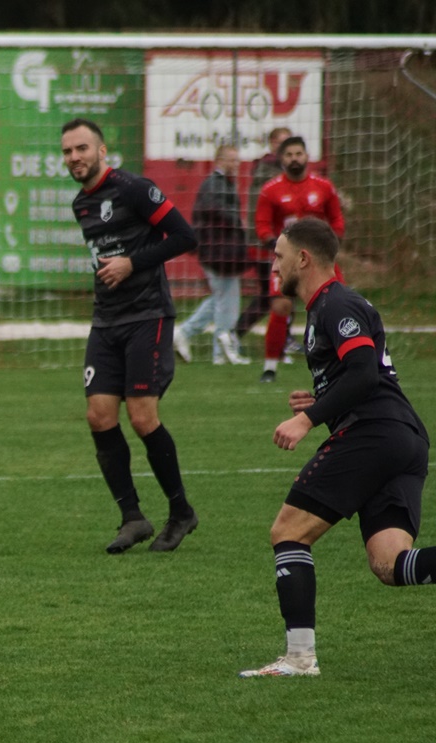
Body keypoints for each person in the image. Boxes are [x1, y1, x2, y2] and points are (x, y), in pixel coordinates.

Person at [240, 218, 433, 677]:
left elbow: (365, 372)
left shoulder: (335, 303)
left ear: (303, 259)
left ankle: (299, 658)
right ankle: (299, 658)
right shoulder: (325, 309)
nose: (274, 265)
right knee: (390, 565)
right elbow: (360, 375)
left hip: (375, 433)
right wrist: (322, 400)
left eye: (279, 256)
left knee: (288, 530)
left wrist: (308, 418)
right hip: (403, 437)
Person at [60, 118, 200, 554]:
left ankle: (181, 513)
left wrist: (132, 263)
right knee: (99, 416)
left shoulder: (134, 189)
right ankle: (133, 517)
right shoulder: (80, 205)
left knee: (142, 417)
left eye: (82, 148)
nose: (74, 158)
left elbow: (183, 236)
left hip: (147, 317)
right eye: (67, 152)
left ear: (102, 151)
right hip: (106, 322)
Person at [253, 135, 345, 382]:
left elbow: (337, 220)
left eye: (299, 154)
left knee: (336, 304)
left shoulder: (324, 187)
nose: (294, 158)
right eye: (289, 155)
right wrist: (277, 245)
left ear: (307, 156)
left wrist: (332, 242)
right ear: (281, 159)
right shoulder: (270, 190)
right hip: (287, 259)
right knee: (281, 306)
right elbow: (261, 225)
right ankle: (270, 367)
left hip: (320, 257)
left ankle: (343, 359)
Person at [173, 144, 251, 365]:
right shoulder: (213, 184)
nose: (235, 165)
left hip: (219, 253)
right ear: (219, 160)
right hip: (220, 254)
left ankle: (183, 334)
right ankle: (222, 351)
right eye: (231, 160)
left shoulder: (220, 183)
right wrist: (237, 221)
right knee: (228, 300)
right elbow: (212, 211)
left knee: (219, 299)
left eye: (237, 160)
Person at [234, 127, 292, 343]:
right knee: (271, 295)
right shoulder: (267, 170)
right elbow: (262, 209)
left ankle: (284, 337)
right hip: (264, 244)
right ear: (273, 145)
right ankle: (235, 333)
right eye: (281, 142)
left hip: (279, 242)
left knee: (285, 290)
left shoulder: (281, 170)